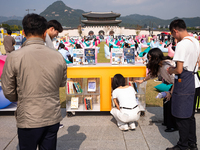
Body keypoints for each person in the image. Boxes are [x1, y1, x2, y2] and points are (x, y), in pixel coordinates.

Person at [1, 13, 67, 150]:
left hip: (28, 117)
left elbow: (8, 90)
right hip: (51, 115)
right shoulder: (58, 56)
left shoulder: (14, 57)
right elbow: (61, 83)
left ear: (24, 32)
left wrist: (22, 98)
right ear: (45, 33)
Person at [166, 19, 200, 150]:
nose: (174, 37)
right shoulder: (195, 41)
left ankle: (183, 145)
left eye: (172, 34)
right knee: (190, 116)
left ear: (175, 31)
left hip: (184, 82)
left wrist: (171, 70)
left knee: (182, 116)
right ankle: (192, 143)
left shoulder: (181, 45)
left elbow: (179, 69)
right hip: (195, 80)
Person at [135, 48, 177, 132]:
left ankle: (173, 126)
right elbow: (152, 75)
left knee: (169, 102)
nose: (149, 60)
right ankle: (167, 122)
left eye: (150, 58)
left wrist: (170, 93)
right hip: (173, 85)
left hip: (179, 85)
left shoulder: (166, 66)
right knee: (166, 101)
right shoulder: (160, 65)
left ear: (156, 58)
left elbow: (175, 80)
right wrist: (142, 80)